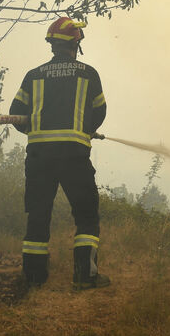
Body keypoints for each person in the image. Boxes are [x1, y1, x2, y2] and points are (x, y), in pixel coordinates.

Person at [8, 16, 110, 290]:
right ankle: (85, 277)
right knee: (86, 214)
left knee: (38, 214)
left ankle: (33, 277)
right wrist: (84, 129)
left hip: (40, 156)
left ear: (52, 44)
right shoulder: (89, 74)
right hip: (74, 155)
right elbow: (99, 111)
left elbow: (16, 114)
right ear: (76, 42)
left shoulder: (34, 75)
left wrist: (35, 130)